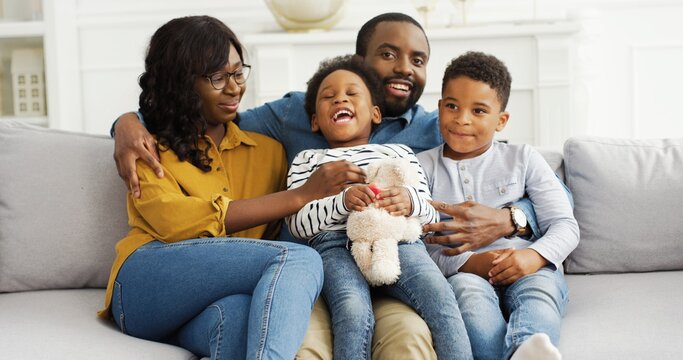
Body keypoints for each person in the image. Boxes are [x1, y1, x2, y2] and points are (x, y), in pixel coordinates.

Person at [111, 13, 543, 359]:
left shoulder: (442, 127)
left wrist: (513, 217)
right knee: (300, 263)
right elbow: (189, 136)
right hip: (193, 268)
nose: (402, 69)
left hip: (366, 260)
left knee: (241, 324)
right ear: (358, 60)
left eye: (417, 59)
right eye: (388, 54)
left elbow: (507, 171)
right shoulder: (286, 125)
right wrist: (125, 124)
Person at [97, 15, 352, 360]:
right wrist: (300, 195)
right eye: (218, 77)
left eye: (237, 73)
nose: (234, 88)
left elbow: (278, 238)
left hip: (215, 301)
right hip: (146, 284)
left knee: (236, 323)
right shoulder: (146, 149)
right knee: (297, 260)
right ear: (181, 83)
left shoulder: (269, 153)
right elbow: (175, 225)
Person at [287, 55, 473, 359]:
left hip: (400, 240)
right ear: (315, 121)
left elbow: (429, 212)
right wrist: (341, 202)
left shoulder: (397, 152)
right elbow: (298, 225)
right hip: (335, 245)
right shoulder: (308, 160)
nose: (340, 99)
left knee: (440, 298)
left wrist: (408, 201)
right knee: (353, 310)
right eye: (328, 97)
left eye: (352, 93)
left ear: (375, 113)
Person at [417, 51, 579, 360]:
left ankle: (527, 348)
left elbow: (564, 224)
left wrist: (533, 257)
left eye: (478, 111)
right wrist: (472, 264)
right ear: (439, 108)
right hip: (466, 273)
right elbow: (423, 245)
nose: (462, 119)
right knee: (469, 301)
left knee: (539, 297)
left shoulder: (523, 158)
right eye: (452, 106)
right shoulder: (422, 167)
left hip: (528, 266)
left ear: (501, 120)